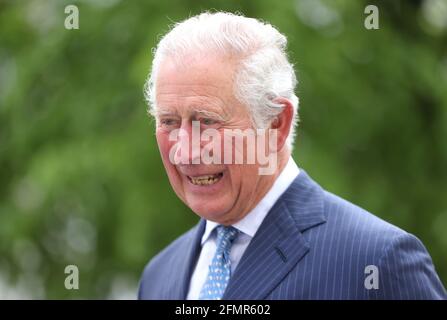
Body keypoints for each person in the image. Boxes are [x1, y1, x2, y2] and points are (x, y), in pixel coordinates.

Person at [138, 12, 446, 300]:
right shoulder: (159, 275)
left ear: (276, 124)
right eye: (169, 122)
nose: (186, 151)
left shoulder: (377, 260)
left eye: (207, 121)